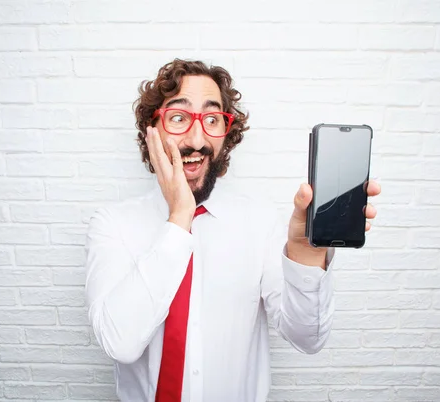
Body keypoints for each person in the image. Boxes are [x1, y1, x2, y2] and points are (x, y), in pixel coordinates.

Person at [84, 59, 380, 402]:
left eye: (212, 120)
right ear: (152, 131)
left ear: (227, 134)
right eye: (178, 118)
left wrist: (306, 254)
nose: (197, 139)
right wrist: (180, 216)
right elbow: (120, 342)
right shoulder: (112, 224)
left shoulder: (262, 223)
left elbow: (307, 339)